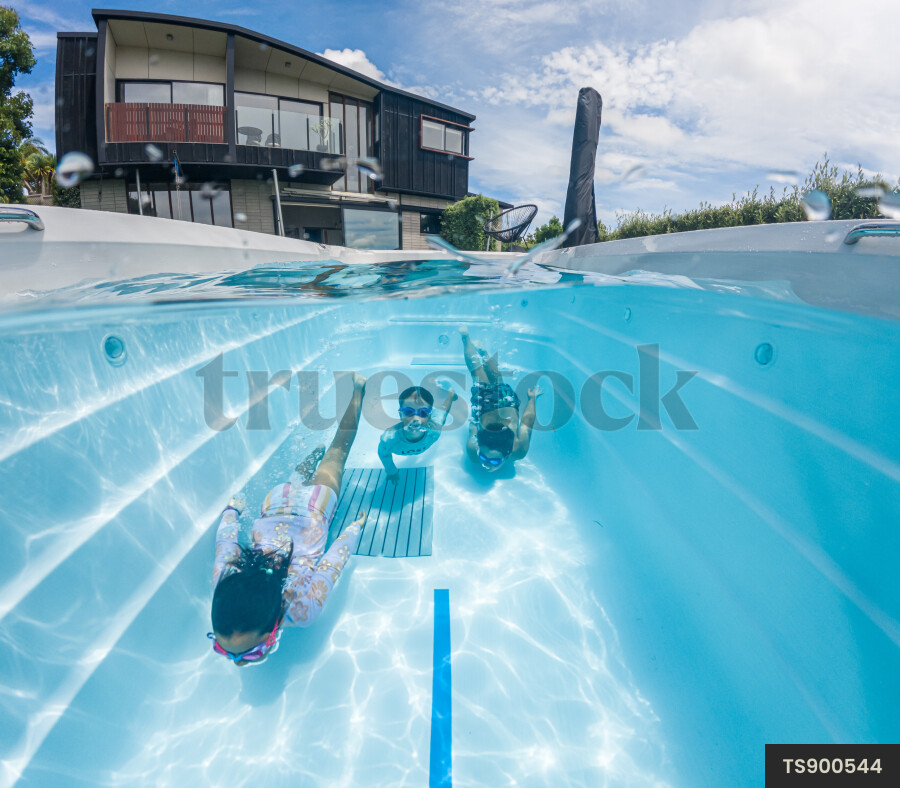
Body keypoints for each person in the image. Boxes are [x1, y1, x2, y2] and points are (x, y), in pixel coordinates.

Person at [209, 373, 367, 666]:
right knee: (298, 479)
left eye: (252, 652)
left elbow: (331, 566)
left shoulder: (302, 611)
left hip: (314, 507)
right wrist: (232, 511)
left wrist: (354, 529)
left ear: (273, 633)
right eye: (225, 650)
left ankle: (359, 390)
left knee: (338, 450)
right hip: (275, 501)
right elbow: (226, 543)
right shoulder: (224, 582)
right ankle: (312, 458)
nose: (238, 661)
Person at [459, 326, 541, 472]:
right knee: (496, 380)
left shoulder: (474, 452)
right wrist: (532, 399)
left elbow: (473, 426)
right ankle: (476, 347)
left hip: (487, 407)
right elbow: (527, 421)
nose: (487, 464)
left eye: (494, 460)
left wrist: (474, 423)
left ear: (507, 453)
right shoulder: (519, 450)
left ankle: (468, 340)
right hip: (506, 403)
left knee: (482, 374)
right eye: (483, 457)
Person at [378, 385, 457, 485]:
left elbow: (444, 411)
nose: (415, 418)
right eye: (408, 412)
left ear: (429, 416)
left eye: (423, 413)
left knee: (443, 411)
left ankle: (450, 394)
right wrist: (391, 472)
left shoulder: (434, 430)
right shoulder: (390, 439)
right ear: (400, 415)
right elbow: (383, 454)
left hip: (432, 423)